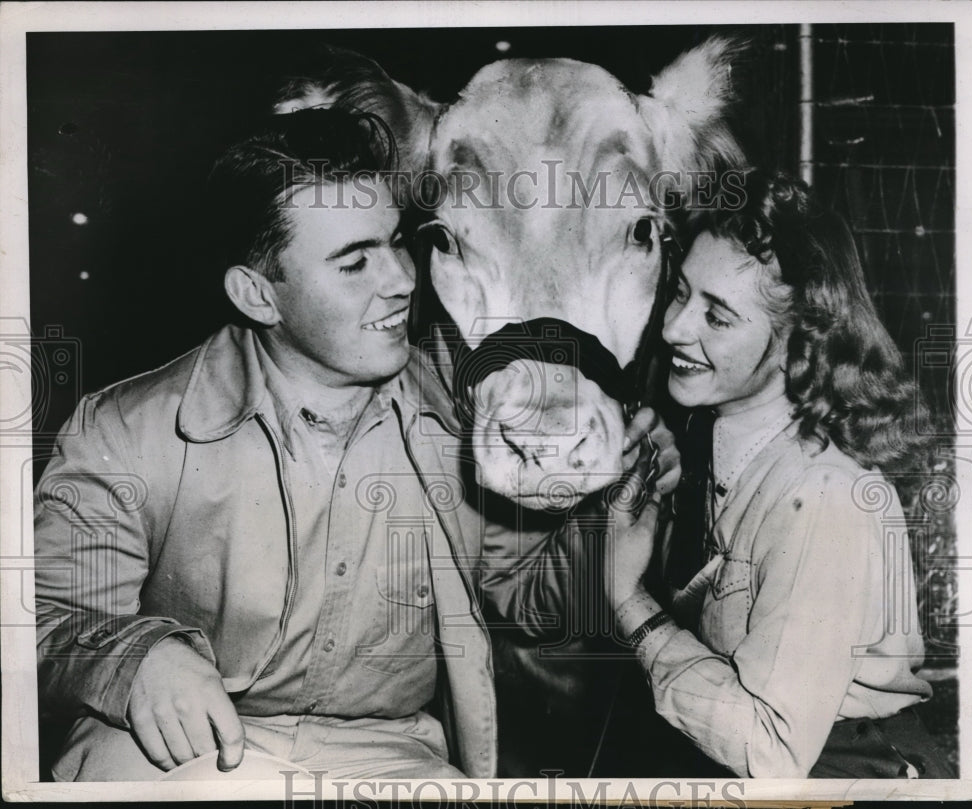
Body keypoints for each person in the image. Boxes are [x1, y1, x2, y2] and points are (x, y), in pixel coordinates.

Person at [34, 107, 676, 781]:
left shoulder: (462, 414)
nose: (402, 278)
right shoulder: (128, 427)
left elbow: (530, 601)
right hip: (175, 743)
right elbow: (39, 614)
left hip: (390, 752)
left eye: (396, 242)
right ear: (258, 296)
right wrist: (135, 656)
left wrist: (605, 514)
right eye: (354, 261)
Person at [604, 171, 952, 778]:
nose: (673, 328)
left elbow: (772, 751)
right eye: (681, 293)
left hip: (850, 772)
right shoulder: (707, 439)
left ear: (799, 347)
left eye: (717, 318)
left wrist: (632, 604)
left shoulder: (823, 498)